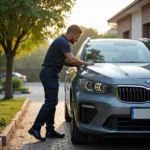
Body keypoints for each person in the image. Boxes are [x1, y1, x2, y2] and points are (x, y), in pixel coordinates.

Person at [28, 25, 94, 141]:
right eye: (77, 37)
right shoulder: (63, 42)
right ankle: (35, 127)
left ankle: (50, 130)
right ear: (72, 34)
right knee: (51, 102)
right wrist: (86, 64)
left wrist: (76, 64)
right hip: (49, 73)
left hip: (49, 73)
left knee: (52, 102)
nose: (77, 40)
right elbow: (71, 59)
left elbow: (64, 61)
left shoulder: (60, 41)